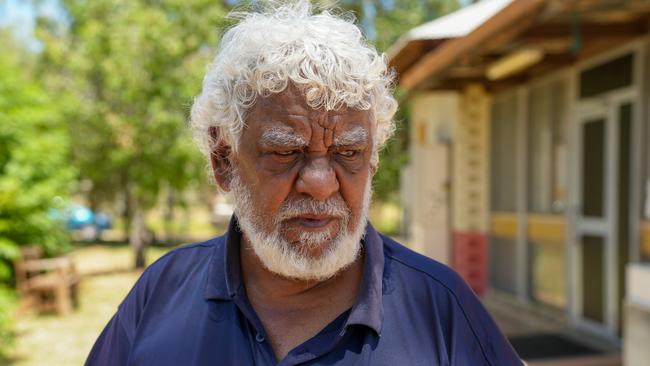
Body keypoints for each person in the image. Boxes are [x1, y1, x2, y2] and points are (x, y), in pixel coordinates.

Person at [86, 2, 523, 365]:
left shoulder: (441, 309)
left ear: (371, 162)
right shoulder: (161, 293)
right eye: (285, 152)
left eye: (347, 154)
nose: (319, 183)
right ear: (223, 161)